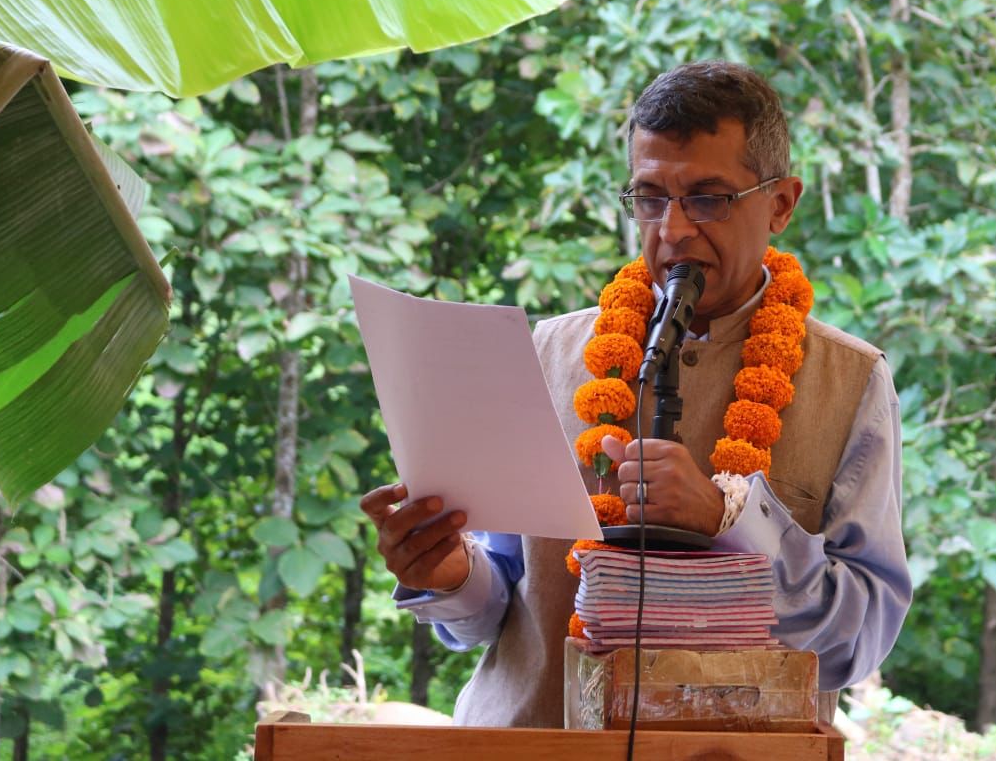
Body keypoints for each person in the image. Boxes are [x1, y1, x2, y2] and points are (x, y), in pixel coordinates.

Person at [360, 60, 911, 728]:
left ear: (782, 204)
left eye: (708, 198)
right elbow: (496, 604)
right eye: (650, 198)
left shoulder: (851, 380)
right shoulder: (547, 354)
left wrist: (730, 520)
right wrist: (445, 571)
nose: (673, 230)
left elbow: (864, 633)